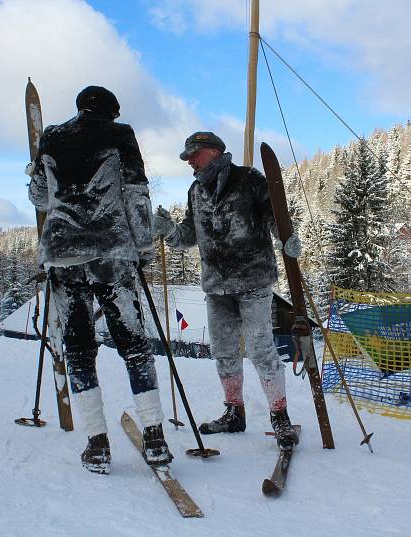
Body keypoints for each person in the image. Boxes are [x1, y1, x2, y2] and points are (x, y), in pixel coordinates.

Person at [27, 85, 172, 473]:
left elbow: (40, 197)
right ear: (111, 111)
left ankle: (96, 443)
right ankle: (155, 439)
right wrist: (141, 249)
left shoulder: (52, 136)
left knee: (77, 348)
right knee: (134, 344)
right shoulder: (120, 135)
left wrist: (36, 169)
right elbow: (137, 194)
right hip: (110, 252)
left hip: (63, 253)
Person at [152, 131, 301, 449]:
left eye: (194, 153)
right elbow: (188, 236)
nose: (190, 160)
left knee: (261, 350)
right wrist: (169, 231)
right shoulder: (195, 191)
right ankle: (234, 412)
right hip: (217, 286)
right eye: (187, 156)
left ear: (215, 151)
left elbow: (275, 216)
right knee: (223, 352)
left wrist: (286, 237)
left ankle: (281, 417)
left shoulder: (248, 179)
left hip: (253, 281)